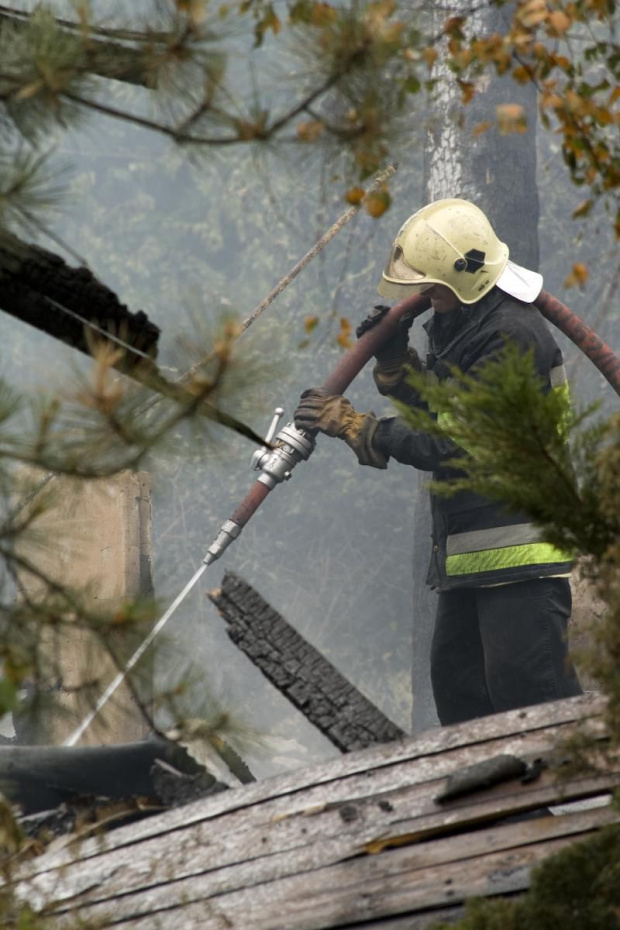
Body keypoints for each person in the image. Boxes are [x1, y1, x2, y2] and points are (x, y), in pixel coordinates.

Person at [294, 198, 582, 726]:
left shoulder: (512, 334)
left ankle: (585, 805)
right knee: (461, 699)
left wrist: (362, 429)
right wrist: (394, 361)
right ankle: (488, 808)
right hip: (472, 553)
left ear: (463, 277)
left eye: (430, 284)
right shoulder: (466, 325)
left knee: (536, 708)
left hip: (521, 551)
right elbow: (442, 412)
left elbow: (459, 441)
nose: (422, 296)